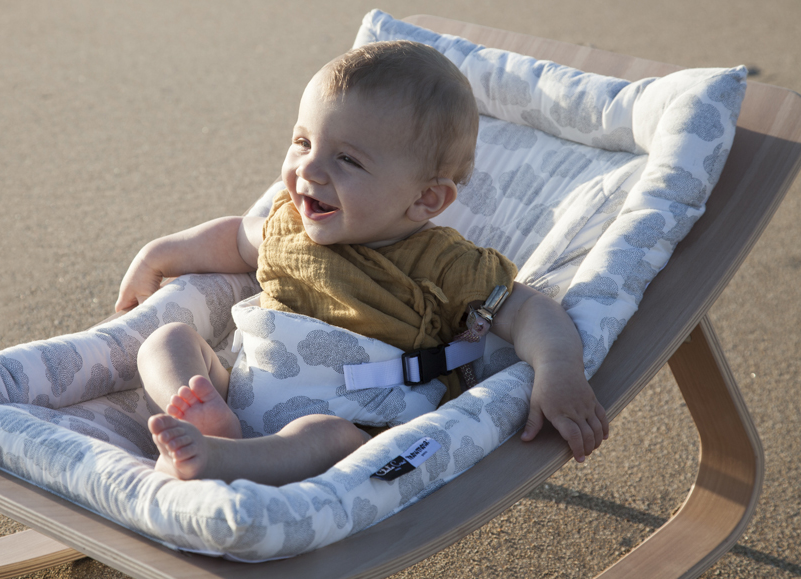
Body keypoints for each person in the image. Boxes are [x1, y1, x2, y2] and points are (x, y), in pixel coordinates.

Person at [115, 41, 608, 486]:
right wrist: (156, 255)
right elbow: (231, 236)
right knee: (168, 341)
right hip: (240, 388)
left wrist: (559, 369)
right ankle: (207, 417)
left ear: (426, 198)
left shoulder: (444, 264)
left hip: (349, 416)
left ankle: (224, 460)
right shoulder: (290, 224)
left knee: (328, 438)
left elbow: (528, 311)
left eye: (347, 160)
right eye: (304, 142)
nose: (308, 168)